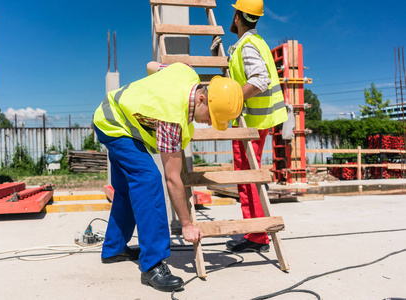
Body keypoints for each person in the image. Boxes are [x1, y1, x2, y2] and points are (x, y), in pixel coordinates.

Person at [93, 61, 243, 292]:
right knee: (148, 178)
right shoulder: (172, 117)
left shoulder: (186, 72)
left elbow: (152, 65)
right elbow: (172, 178)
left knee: (125, 191)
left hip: (112, 114)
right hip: (115, 124)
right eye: (212, 116)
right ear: (202, 99)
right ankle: (153, 264)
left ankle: (114, 249)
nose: (210, 123)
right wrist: (186, 225)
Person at [225, 0, 288, 253]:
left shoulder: (248, 45)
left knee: (247, 177)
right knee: (249, 176)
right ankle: (255, 232)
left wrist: (234, 99)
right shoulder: (253, 42)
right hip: (256, 122)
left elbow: (259, 79)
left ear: (238, 16)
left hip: (251, 124)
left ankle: (257, 236)